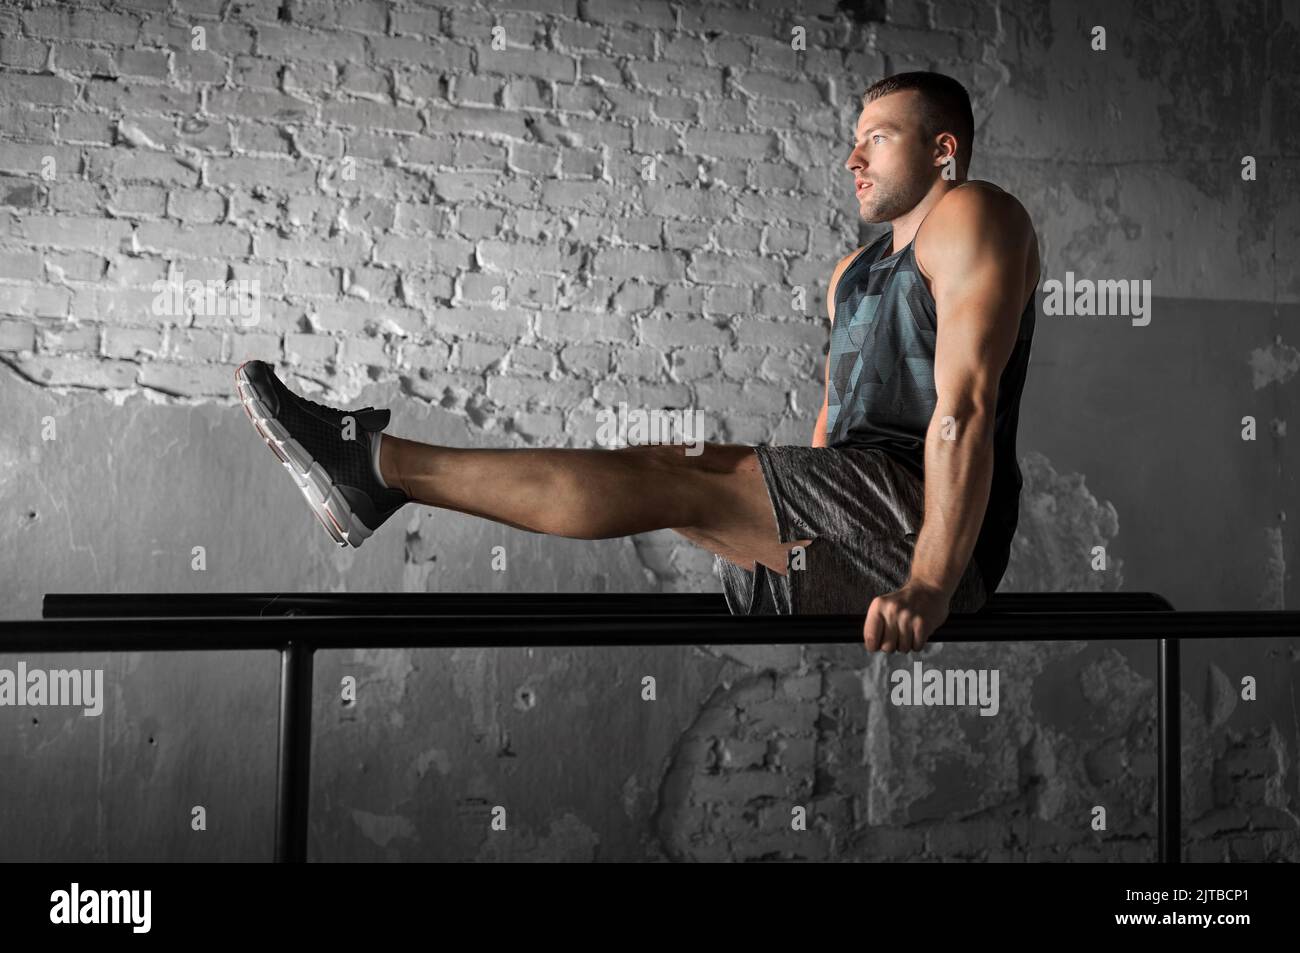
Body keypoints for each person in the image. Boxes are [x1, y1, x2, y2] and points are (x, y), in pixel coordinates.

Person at [234, 71, 1038, 655]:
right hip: (863, 512)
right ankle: (380, 474)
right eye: (854, 141)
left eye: (879, 138)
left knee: (672, 475)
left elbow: (963, 408)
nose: (854, 159)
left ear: (942, 150)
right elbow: (832, 430)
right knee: (665, 468)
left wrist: (930, 584)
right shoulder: (851, 274)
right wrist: (804, 540)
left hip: (935, 531)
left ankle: (384, 469)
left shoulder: (975, 215)